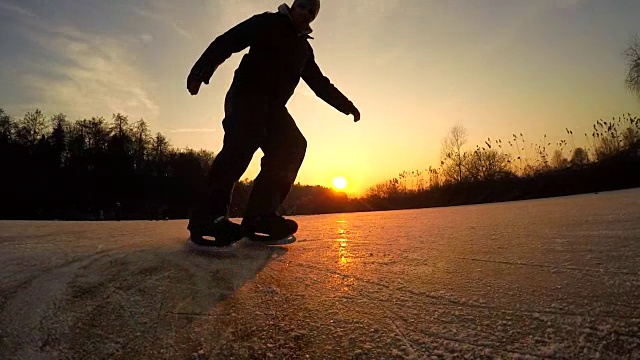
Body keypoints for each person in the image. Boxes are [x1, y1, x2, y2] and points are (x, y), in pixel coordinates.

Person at [187, 0, 360, 245]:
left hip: (273, 108)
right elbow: (229, 40)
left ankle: (260, 216)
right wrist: (200, 72)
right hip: (246, 95)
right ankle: (207, 218)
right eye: (303, 7)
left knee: (292, 146)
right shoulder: (268, 22)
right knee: (243, 141)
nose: (306, 14)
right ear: (293, 6)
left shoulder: (303, 49)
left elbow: (319, 83)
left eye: (312, 12)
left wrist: (347, 106)